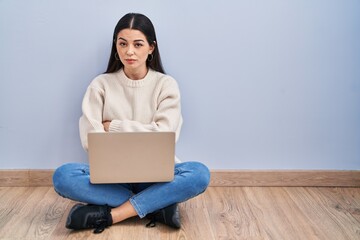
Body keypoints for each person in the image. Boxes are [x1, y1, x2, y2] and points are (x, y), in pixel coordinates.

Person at [52, 13, 210, 234]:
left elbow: (166, 134)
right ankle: (156, 207)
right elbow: (91, 138)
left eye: (138, 44)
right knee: (63, 176)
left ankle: (112, 214)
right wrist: (143, 131)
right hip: (112, 179)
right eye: (122, 43)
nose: (129, 51)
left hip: (156, 178)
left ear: (151, 47)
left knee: (199, 173)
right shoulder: (101, 85)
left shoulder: (166, 85)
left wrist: (113, 126)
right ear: (115, 46)